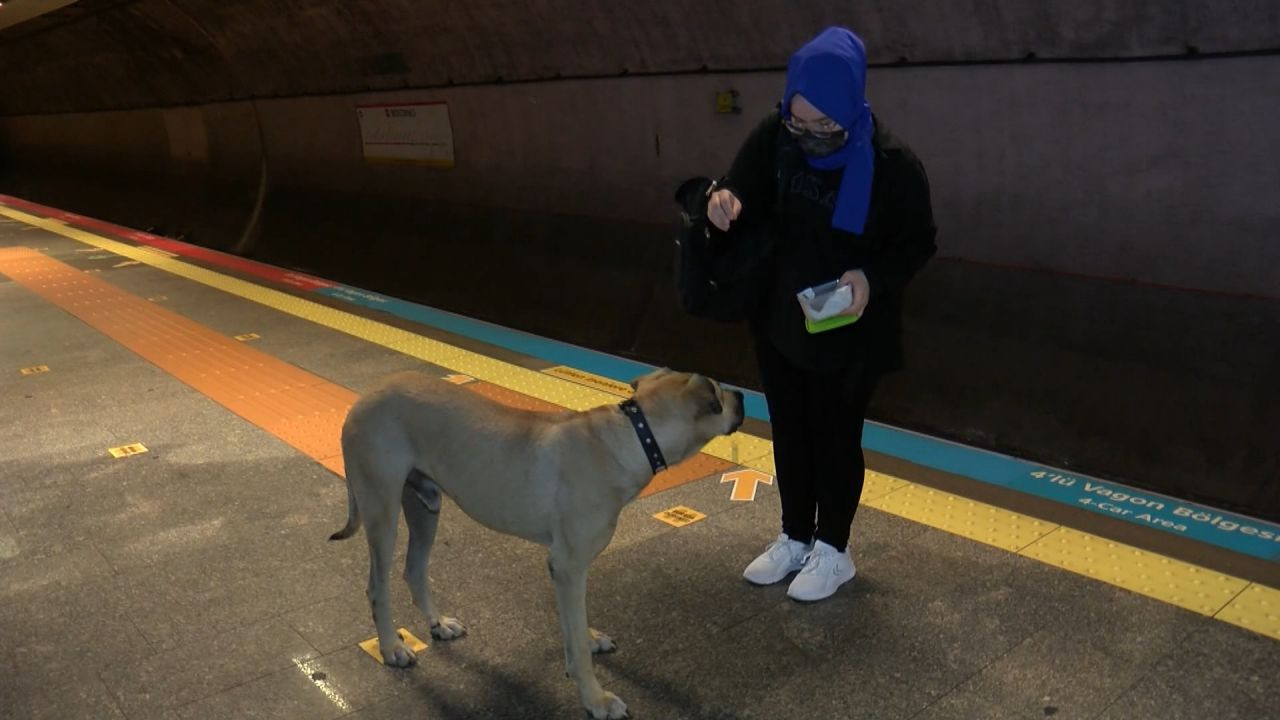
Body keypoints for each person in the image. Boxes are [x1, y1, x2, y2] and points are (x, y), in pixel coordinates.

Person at [708, 26, 937, 601]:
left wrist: (870, 277)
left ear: (851, 106)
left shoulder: (892, 165)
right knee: (789, 429)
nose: (809, 136)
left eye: (824, 127)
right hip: (783, 316)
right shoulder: (775, 137)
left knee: (835, 435)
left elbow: (917, 242)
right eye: (798, 122)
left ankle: (834, 549)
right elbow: (740, 186)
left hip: (851, 324)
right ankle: (795, 535)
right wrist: (723, 199)